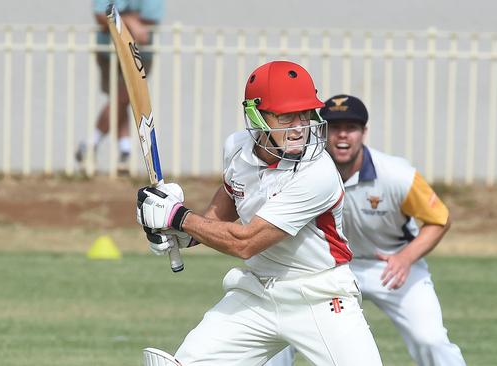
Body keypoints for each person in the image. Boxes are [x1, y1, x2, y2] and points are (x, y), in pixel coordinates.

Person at [136, 62, 383, 366]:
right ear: (256, 116)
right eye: (285, 116)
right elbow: (224, 208)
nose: (299, 127)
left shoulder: (317, 173)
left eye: (305, 114)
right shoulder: (236, 148)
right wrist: (183, 236)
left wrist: (178, 217)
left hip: (321, 296)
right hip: (256, 293)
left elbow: (245, 243)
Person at [268, 95, 466, 365]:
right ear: (321, 131)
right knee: (282, 335)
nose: (342, 136)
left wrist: (406, 258)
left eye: (351, 127)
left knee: (429, 340)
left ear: (364, 132)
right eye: (334, 127)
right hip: (327, 268)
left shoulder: (397, 175)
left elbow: (439, 220)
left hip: (391, 265)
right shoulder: (300, 172)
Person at [76, 0, 165, 174]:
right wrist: (131, 22)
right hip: (108, 52)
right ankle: (124, 151)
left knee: (121, 98)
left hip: (139, 53)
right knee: (120, 101)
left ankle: (92, 143)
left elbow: (151, 18)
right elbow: (100, 16)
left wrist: (118, 19)